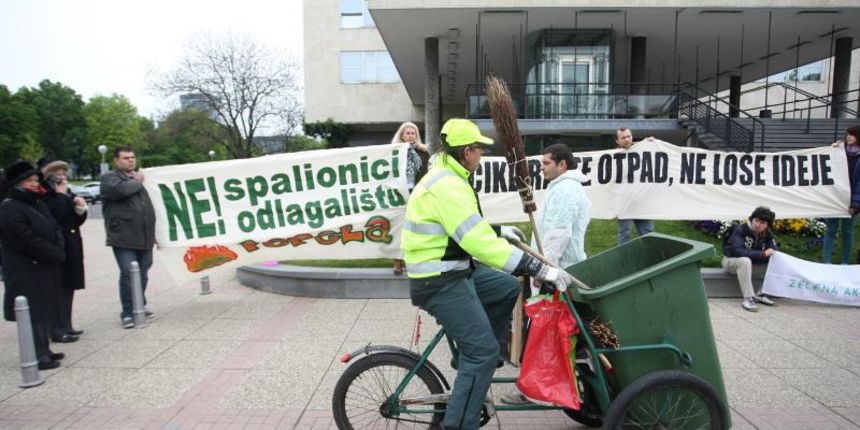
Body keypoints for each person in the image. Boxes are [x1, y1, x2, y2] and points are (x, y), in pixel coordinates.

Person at [401, 118, 574, 430]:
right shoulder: (447, 185)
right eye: (479, 149)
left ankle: (476, 359)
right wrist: (536, 266)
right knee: (481, 353)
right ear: (467, 151)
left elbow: (464, 228)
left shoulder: (451, 174)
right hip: (440, 280)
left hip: (453, 269)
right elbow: (478, 244)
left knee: (507, 287)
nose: (481, 155)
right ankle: (460, 415)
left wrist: (498, 231)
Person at [501, 142, 593, 405]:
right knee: (548, 333)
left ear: (562, 164)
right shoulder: (563, 188)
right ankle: (547, 386)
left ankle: (535, 390)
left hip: (558, 272)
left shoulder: (566, 191)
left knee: (544, 333)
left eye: (546, 163)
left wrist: (544, 270)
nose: (541, 168)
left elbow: (558, 232)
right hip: (558, 269)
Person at [0, 161, 66, 369]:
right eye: (29, 181)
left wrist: (58, 248)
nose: (34, 184)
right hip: (26, 268)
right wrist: (53, 252)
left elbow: (54, 228)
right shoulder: (10, 207)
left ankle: (44, 350)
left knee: (43, 309)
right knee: (32, 312)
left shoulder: (36, 203)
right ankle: (37, 355)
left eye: (36, 180)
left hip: (44, 264)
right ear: (17, 184)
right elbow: (24, 239)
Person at [100, 147, 156, 329]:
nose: (131, 161)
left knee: (143, 273)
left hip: (145, 236)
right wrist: (138, 180)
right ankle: (127, 312)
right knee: (128, 273)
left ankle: (139, 305)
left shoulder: (138, 178)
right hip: (124, 237)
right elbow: (120, 192)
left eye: (132, 157)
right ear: (116, 161)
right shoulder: (110, 178)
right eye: (126, 158)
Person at [41, 160, 87, 342]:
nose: (62, 176)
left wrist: (80, 209)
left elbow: (73, 220)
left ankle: (66, 324)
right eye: (57, 172)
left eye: (63, 172)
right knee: (57, 289)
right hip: (56, 245)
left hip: (71, 242)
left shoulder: (66, 191)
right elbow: (55, 216)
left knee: (69, 285)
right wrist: (61, 197)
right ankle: (56, 328)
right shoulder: (46, 193)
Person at [722, 207, 778, 312]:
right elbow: (739, 252)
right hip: (731, 262)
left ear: (767, 225)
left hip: (751, 264)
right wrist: (763, 254)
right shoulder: (740, 229)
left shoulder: (768, 234)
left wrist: (771, 251)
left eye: (762, 223)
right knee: (745, 260)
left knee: (775, 261)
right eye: (756, 220)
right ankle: (748, 298)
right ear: (752, 219)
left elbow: (774, 250)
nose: (757, 225)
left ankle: (761, 293)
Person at [391, 122, 429, 275]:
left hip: (415, 193)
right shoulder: (392, 152)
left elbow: (426, 174)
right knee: (398, 228)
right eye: (407, 133)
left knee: (413, 228)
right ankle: (397, 261)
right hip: (398, 194)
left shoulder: (423, 152)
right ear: (402, 135)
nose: (410, 135)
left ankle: (409, 259)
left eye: (413, 133)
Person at [822, 126, 860, 265]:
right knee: (830, 230)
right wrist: (832, 149)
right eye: (848, 134)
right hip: (835, 197)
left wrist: (855, 204)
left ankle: (845, 262)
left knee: (848, 232)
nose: (848, 137)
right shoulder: (839, 150)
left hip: (850, 201)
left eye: (852, 135)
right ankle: (826, 261)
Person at [615, 127, 654, 244]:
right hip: (624, 201)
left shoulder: (642, 150)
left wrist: (648, 143)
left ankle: (650, 259)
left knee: (648, 233)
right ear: (617, 141)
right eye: (623, 138)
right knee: (624, 234)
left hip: (642, 200)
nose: (627, 140)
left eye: (629, 136)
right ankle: (624, 260)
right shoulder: (613, 156)